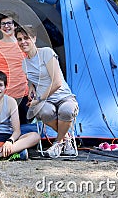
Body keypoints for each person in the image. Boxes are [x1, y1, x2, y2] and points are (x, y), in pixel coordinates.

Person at [15, 25, 79, 158]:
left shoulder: (46, 53)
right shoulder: (24, 63)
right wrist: (31, 89)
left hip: (63, 96)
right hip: (46, 100)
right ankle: (66, 140)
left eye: (26, 38)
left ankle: (58, 142)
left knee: (67, 110)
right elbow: (32, 79)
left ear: (34, 38)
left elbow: (57, 83)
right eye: (19, 39)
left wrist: (38, 99)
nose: (23, 42)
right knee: (44, 112)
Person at [0, 10, 29, 124]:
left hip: (22, 94)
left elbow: (32, 69)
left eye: (9, 23)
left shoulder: (24, 45)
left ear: (15, 26)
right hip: (1, 95)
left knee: (24, 126)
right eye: (3, 24)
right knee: (3, 129)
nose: (6, 26)